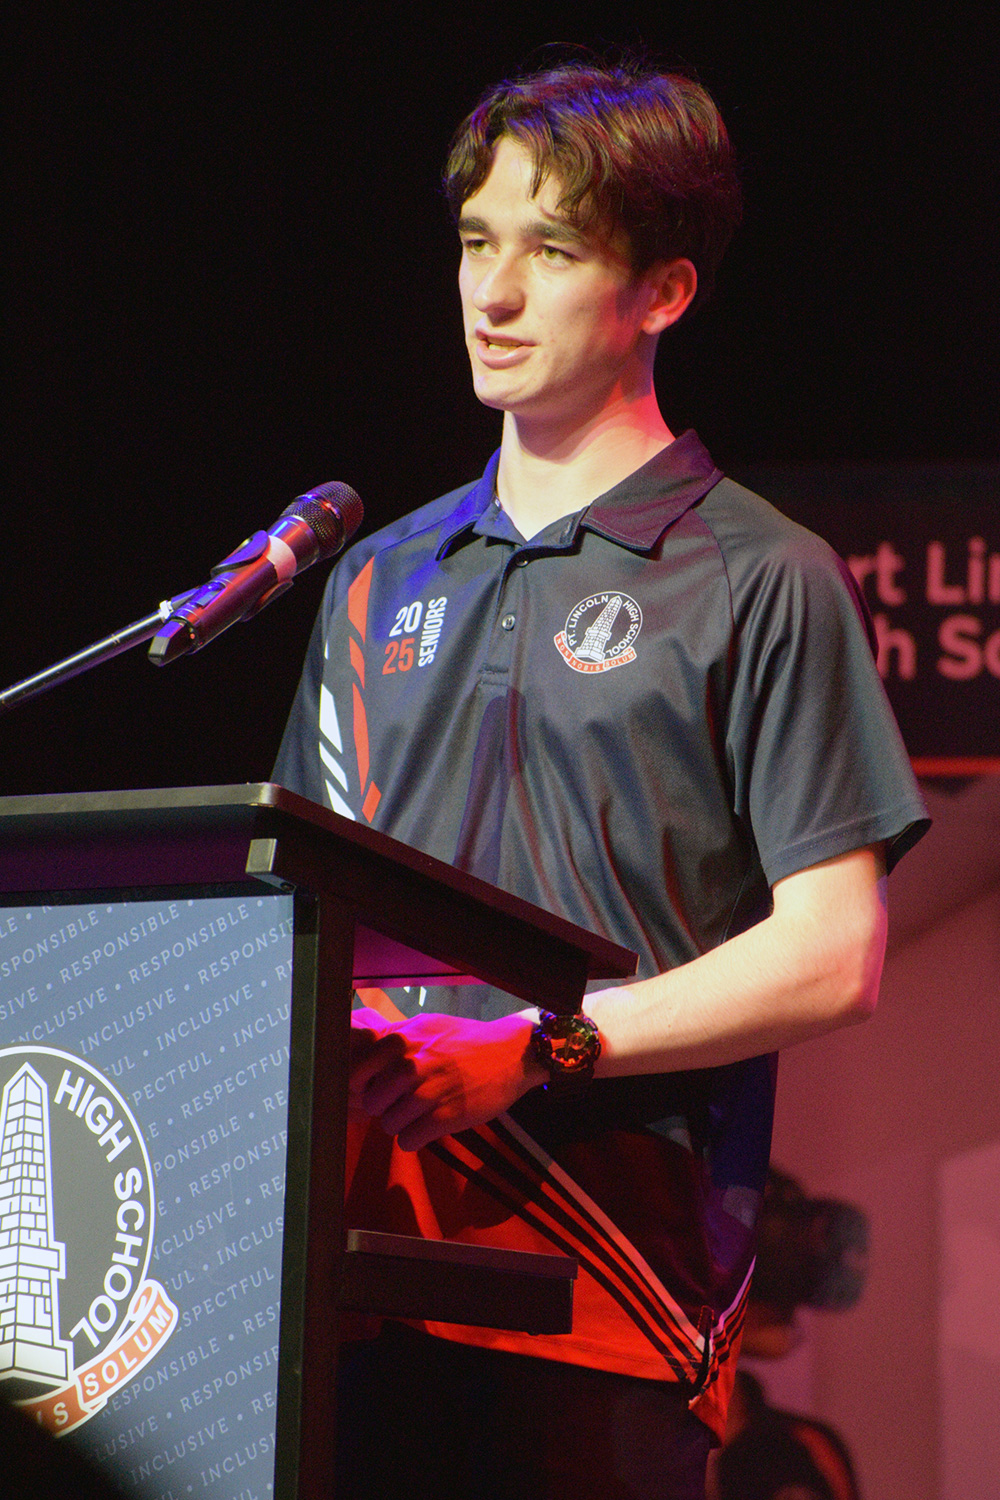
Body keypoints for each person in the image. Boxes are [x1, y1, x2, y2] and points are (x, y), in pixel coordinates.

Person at [274, 60, 928, 1499]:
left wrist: (541, 1046)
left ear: (663, 292)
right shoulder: (374, 581)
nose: (493, 294)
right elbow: (301, 920)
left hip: (610, 1298)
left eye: (553, 250)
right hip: (345, 1282)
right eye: (475, 242)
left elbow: (836, 956)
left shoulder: (764, 576)